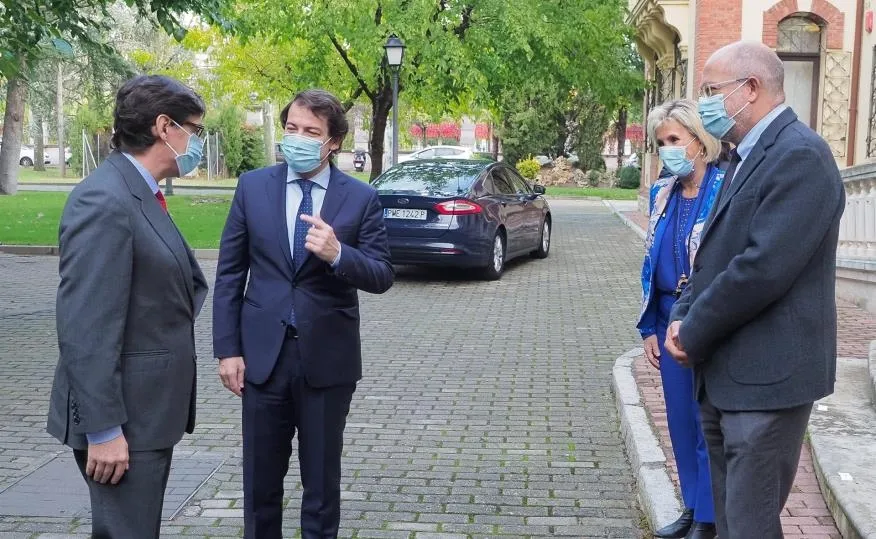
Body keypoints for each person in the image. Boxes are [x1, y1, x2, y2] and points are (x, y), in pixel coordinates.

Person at [664, 41, 845, 539]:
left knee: (749, 525)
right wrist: (682, 313)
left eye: (711, 91)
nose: (704, 103)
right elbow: (714, 251)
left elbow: (762, 269)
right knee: (733, 524)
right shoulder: (745, 154)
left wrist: (693, 331)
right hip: (729, 376)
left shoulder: (801, 155)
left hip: (766, 380)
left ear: (751, 89)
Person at [212, 89, 394, 539]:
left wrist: (338, 254)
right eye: (292, 128)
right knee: (260, 484)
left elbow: (382, 273)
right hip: (261, 359)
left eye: (311, 131)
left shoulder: (360, 198)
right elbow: (230, 275)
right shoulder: (253, 187)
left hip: (327, 362)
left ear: (332, 142)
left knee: (321, 486)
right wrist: (227, 350)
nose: (297, 138)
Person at [46, 75, 209, 539]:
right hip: (123, 420)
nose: (195, 143)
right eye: (193, 130)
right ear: (164, 127)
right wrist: (103, 431)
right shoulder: (106, 199)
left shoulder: (139, 191)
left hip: (146, 413)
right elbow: (85, 326)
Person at [638, 99, 723, 539]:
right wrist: (650, 328)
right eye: (660, 143)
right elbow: (651, 262)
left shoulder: (725, 188)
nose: (667, 149)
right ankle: (691, 506)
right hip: (667, 317)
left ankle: (709, 518)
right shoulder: (662, 193)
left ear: (699, 141)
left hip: (709, 320)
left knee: (706, 420)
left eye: (675, 140)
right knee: (678, 419)